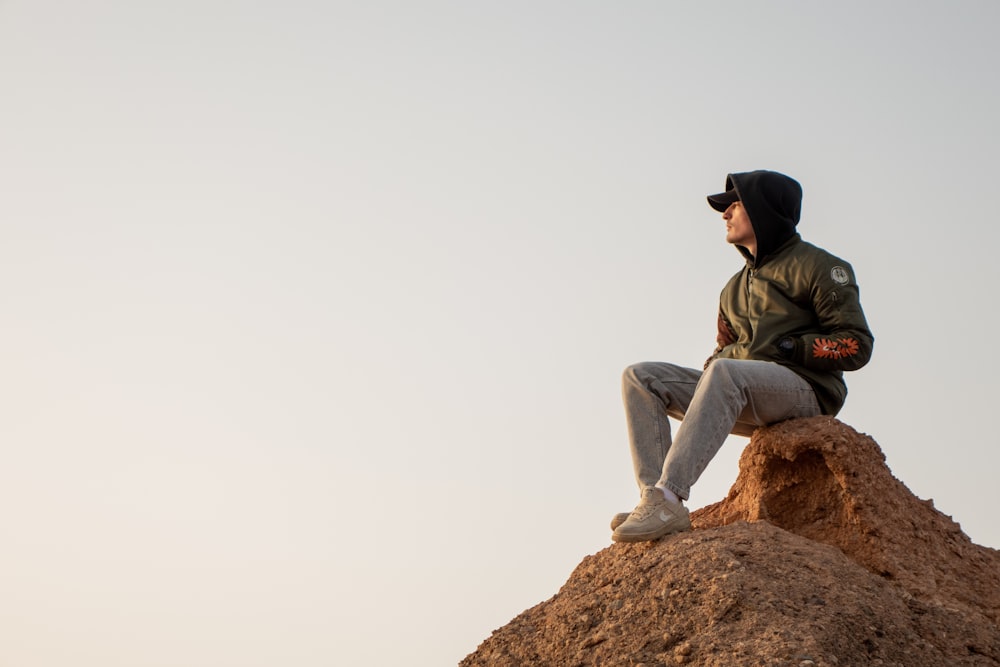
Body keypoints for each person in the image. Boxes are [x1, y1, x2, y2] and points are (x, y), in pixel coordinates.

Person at [611, 170, 874, 543]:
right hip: (742, 391)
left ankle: (671, 496)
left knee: (725, 372)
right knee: (640, 377)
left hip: (806, 391)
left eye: (734, 204)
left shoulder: (822, 267)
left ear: (764, 210)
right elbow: (722, 348)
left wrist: (793, 347)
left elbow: (857, 345)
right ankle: (653, 499)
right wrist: (712, 370)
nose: (725, 214)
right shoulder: (732, 289)